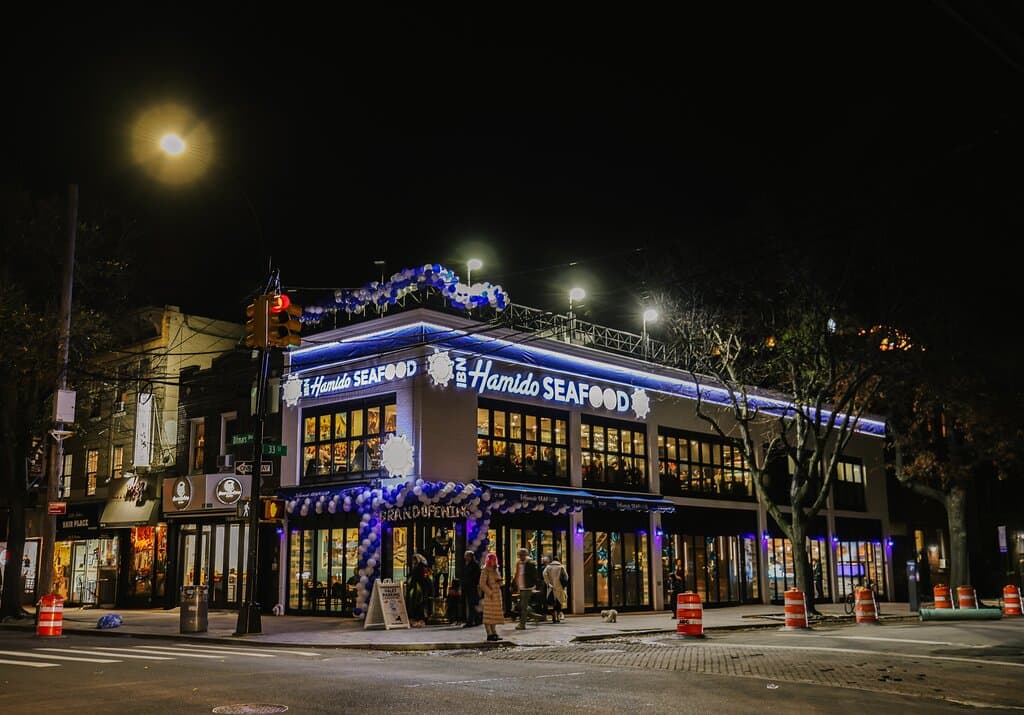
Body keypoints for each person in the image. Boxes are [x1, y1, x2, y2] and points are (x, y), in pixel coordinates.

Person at [513, 548, 541, 629]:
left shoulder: (530, 563)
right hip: (520, 587)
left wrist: (537, 586)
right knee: (521, 606)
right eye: (519, 555)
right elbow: (517, 574)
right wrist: (514, 585)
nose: (520, 557)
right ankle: (535, 616)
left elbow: (535, 576)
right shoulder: (519, 563)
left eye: (521, 555)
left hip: (527, 587)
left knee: (523, 606)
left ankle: (522, 624)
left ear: (525, 555)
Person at [480, 551, 504, 641]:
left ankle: (494, 632)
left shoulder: (496, 570)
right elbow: (482, 583)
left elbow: (500, 582)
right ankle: (489, 633)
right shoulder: (485, 570)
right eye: (492, 559)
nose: (493, 561)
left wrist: (500, 581)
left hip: (497, 594)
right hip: (490, 595)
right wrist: (489, 592)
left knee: (495, 615)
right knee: (488, 615)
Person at [405, 553, 433, 627]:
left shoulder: (421, 567)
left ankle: (420, 620)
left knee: (419, 605)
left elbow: (421, 578)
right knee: (417, 605)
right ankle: (417, 619)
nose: (413, 561)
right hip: (418, 589)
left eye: (414, 560)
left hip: (419, 589)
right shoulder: (421, 567)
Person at [542, 554, 568, 623]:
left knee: (552, 603)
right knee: (559, 602)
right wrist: (564, 585)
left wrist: (548, 583)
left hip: (551, 588)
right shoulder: (561, 567)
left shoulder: (548, 567)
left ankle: (553, 616)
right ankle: (558, 617)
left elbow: (544, 574)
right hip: (559, 587)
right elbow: (566, 577)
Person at [461, 550, 481, 628]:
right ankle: (477, 620)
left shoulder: (474, 565)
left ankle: (471, 621)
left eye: (466, 556)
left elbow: (476, 576)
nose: (465, 557)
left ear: (470, 557)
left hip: (472, 587)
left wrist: (472, 582)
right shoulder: (466, 564)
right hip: (467, 586)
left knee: (472, 603)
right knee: (472, 604)